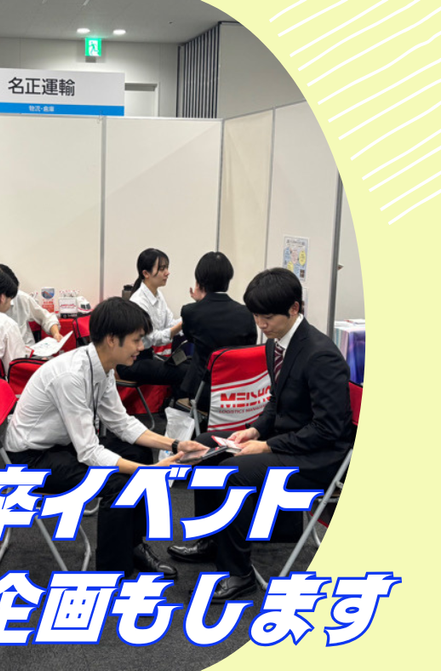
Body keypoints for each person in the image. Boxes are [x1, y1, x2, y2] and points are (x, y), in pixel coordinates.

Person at [167, 268, 354, 603]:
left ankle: (238, 574)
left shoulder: (321, 355)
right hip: (289, 439)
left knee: (234, 472)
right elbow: (276, 402)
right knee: (206, 444)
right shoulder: (276, 343)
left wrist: (266, 445)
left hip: (318, 456)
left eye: (267, 317)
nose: (260, 324)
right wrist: (254, 430)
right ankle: (212, 538)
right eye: (256, 316)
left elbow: (328, 430)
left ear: (294, 309)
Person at [5, 297, 206, 578]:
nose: (141, 347)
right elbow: (89, 452)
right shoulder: (71, 376)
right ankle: (112, 573)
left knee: (137, 452)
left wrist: (174, 444)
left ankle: (134, 546)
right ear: (112, 339)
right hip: (32, 459)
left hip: (64, 445)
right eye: (136, 340)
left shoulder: (102, 365)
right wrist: (147, 472)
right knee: (119, 483)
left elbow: (121, 423)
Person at [180, 252, 258, 409]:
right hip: (237, 393)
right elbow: (250, 346)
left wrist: (199, 303)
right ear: (228, 279)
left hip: (202, 394)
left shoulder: (190, 312)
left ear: (199, 281)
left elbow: (190, 338)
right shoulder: (246, 313)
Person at [116, 248, 187, 389]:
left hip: (146, 356)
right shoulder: (139, 301)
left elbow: (169, 323)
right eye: (162, 269)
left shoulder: (158, 295)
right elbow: (154, 338)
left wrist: (189, 319)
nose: (167, 272)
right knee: (185, 372)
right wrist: (181, 325)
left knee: (190, 365)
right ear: (146, 273)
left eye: (167, 268)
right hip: (132, 362)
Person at [0, 263, 62, 347]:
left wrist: (56, 334)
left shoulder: (21, 297)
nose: (10, 299)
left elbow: (47, 318)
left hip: (26, 350)